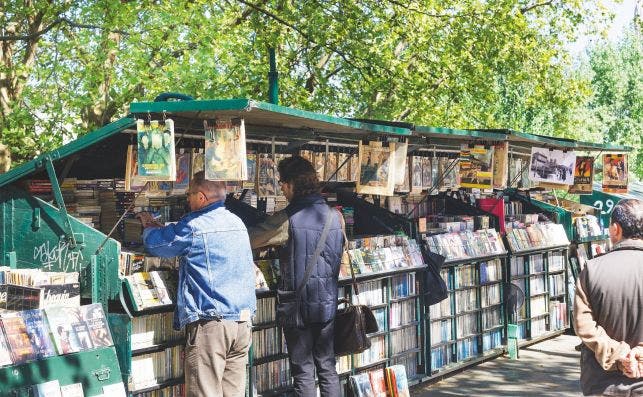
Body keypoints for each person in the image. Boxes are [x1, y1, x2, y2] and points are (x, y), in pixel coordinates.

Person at [138, 171, 256, 397]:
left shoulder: (195, 225)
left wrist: (149, 227)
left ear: (201, 197)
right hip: (242, 323)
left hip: (212, 326)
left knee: (204, 392)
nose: (188, 199)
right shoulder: (237, 222)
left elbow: (157, 245)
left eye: (189, 194)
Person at [248, 156, 344, 397]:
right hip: (327, 304)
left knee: (303, 371)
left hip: (298, 306)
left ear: (292, 184)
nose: (280, 187)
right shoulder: (336, 216)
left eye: (282, 182)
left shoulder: (287, 218)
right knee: (327, 367)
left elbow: (251, 238)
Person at [573, 198, 643, 396]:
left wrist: (619, 354)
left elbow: (583, 326)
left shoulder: (593, 269)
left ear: (615, 229)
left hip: (601, 383)